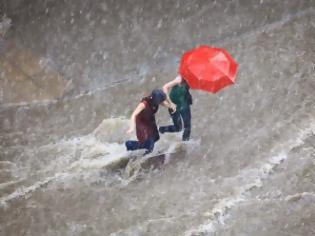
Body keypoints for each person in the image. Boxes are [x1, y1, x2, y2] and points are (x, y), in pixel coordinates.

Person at [125, 89, 175, 154]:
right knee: (149, 143)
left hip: (149, 120)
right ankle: (131, 145)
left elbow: (164, 103)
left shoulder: (155, 101)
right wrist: (132, 128)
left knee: (156, 137)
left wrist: (171, 106)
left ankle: (139, 147)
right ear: (156, 100)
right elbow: (134, 115)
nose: (161, 102)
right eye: (159, 101)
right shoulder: (144, 104)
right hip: (142, 123)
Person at [159, 75, 192, 141]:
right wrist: (170, 103)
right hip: (174, 105)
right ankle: (161, 130)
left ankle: (185, 143)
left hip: (184, 103)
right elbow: (165, 87)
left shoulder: (191, 79)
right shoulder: (179, 79)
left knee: (187, 126)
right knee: (178, 128)